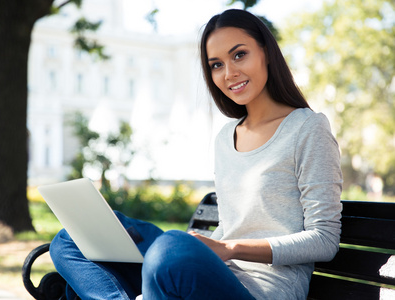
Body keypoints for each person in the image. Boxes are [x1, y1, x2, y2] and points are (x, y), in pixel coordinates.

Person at [49, 9, 343, 300]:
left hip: (262, 289)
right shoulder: (226, 137)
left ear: (266, 52)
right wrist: (208, 245)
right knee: (70, 240)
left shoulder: (307, 128)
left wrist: (230, 249)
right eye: (216, 64)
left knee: (172, 246)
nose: (229, 73)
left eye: (239, 55)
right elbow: (231, 226)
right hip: (215, 271)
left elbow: (325, 239)